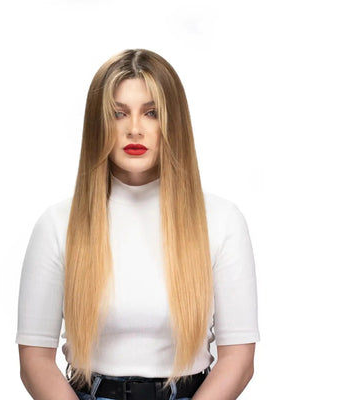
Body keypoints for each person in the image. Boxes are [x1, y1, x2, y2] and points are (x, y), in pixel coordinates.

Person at [15, 48, 260, 400]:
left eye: (151, 113)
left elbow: (239, 359)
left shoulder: (222, 221)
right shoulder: (57, 225)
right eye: (118, 114)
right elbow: (35, 360)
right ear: (99, 124)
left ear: (172, 122)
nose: (134, 129)